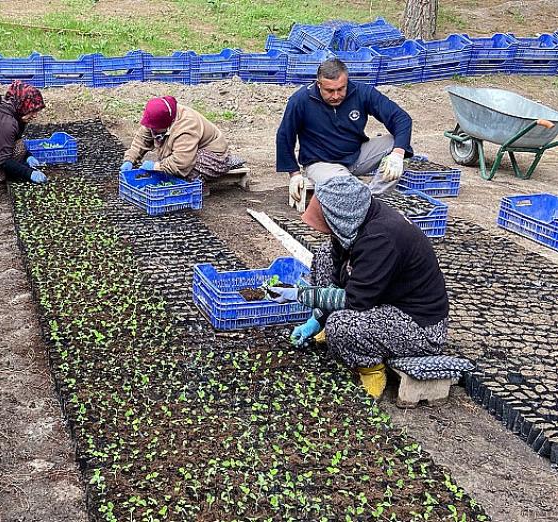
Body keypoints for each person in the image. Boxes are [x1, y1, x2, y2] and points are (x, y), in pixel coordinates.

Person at [269, 176, 449, 399]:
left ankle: (370, 368)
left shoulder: (381, 238)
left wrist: (302, 295)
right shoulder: (354, 226)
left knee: (340, 326)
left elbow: (354, 301)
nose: (328, 231)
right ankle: (332, 330)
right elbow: (338, 279)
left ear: (342, 215)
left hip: (418, 326)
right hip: (383, 299)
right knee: (325, 255)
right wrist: (316, 319)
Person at [276, 58, 414, 204]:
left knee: (400, 145)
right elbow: (284, 135)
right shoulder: (301, 100)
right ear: (319, 85)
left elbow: (400, 118)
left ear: (347, 82)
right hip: (321, 162)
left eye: (341, 89)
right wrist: (294, 174)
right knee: (345, 188)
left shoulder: (362, 92)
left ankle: (373, 198)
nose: (335, 96)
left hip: (356, 154)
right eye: (329, 91)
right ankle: (359, 198)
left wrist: (397, 154)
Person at [119, 96, 242, 181]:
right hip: (192, 148)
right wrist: (130, 159)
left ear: (167, 123)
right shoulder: (158, 117)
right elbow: (142, 138)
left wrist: (157, 167)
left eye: (155, 128)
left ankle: (199, 186)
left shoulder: (186, 126)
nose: (152, 131)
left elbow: (182, 161)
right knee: (169, 166)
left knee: (184, 171)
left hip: (215, 156)